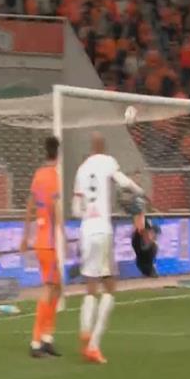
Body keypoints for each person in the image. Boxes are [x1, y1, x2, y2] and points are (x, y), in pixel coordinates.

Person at [72, 132, 145, 364]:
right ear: (104, 147)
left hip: (86, 229)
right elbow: (124, 183)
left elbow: (75, 210)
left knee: (90, 286)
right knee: (110, 285)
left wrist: (88, 211)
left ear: (90, 148)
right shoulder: (108, 162)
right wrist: (140, 191)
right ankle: (94, 345)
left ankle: (85, 332)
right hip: (102, 230)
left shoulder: (81, 170)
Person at [21, 136, 64, 358]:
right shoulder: (54, 177)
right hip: (49, 242)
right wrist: (63, 233)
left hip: (40, 240)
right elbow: (56, 208)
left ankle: (47, 337)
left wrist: (24, 237)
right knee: (49, 288)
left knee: (57, 287)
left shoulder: (38, 175)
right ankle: (36, 341)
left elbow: (30, 206)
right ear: (58, 154)